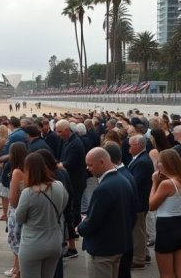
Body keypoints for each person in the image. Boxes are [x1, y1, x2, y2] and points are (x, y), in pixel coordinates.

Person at [78, 147, 136, 278]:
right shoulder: (124, 180)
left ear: (102, 162)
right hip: (118, 246)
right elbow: (132, 215)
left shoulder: (103, 189)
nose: (88, 168)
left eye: (90, 165)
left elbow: (93, 221)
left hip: (102, 250)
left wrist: (79, 228)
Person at [15, 153, 68, 278]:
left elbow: (19, 218)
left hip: (33, 242)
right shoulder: (58, 186)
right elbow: (64, 204)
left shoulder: (28, 192)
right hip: (54, 241)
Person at [149, 149, 181, 278]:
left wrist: (155, 182)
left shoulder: (167, 184)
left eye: (159, 162)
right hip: (180, 224)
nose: (157, 164)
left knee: (166, 273)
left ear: (167, 164)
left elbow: (151, 205)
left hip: (166, 227)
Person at [55, 119, 86, 259]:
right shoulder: (68, 140)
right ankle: (72, 238)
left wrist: (56, 167)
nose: (58, 134)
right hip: (71, 180)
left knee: (72, 211)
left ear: (68, 130)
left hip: (75, 182)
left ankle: (73, 241)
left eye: (60, 131)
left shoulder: (75, 143)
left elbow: (69, 164)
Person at [127, 134, 154, 269]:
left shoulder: (142, 161)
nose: (128, 147)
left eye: (131, 145)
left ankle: (138, 259)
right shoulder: (140, 159)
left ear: (138, 146)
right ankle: (145, 253)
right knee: (140, 229)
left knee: (137, 231)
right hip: (141, 201)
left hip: (139, 202)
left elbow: (134, 182)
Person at [4, 142, 29, 277]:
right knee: (19, 240)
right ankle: (15, 267)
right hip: (25, 208)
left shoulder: (17, 171)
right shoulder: (28, 168)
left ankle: (18, 270)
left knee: (15, 240)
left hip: (16, 209)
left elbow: (13, 199)